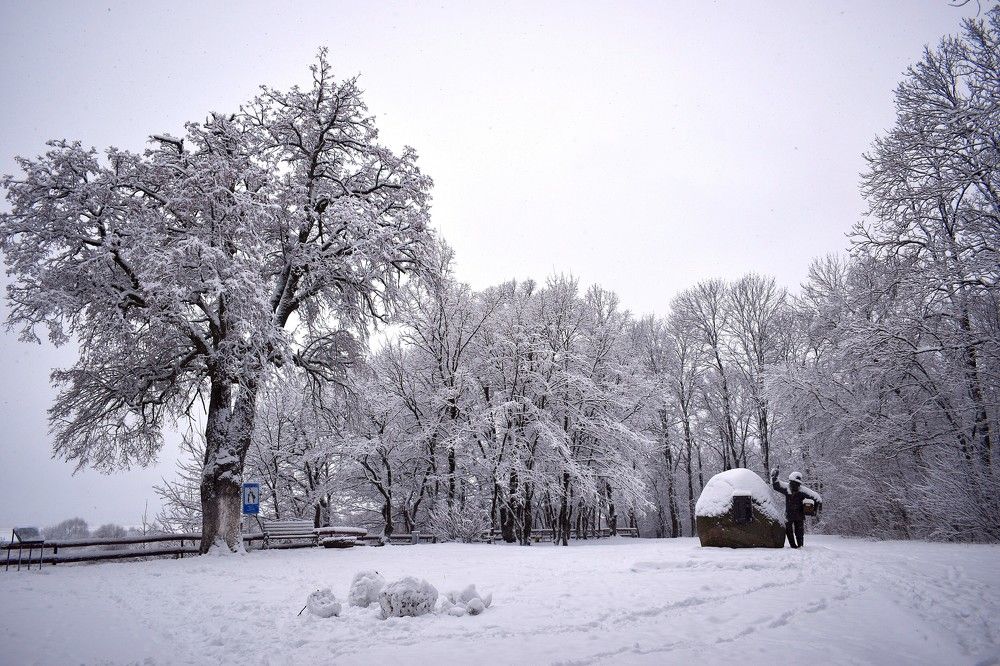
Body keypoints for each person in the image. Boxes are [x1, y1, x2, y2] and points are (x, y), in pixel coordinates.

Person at [770, 468, 822, 548]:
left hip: (799, 515)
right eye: (793, 483)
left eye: (796, 483)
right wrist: (774, 477)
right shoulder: (787, 489)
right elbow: (776, 486)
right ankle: (793, 545)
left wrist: (815, 509)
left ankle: (800, 545)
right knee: (789, 531)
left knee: (799, 531)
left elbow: (817, 498)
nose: (794, 485)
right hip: (789, 515)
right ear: (791, 482)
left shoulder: (802, 491)